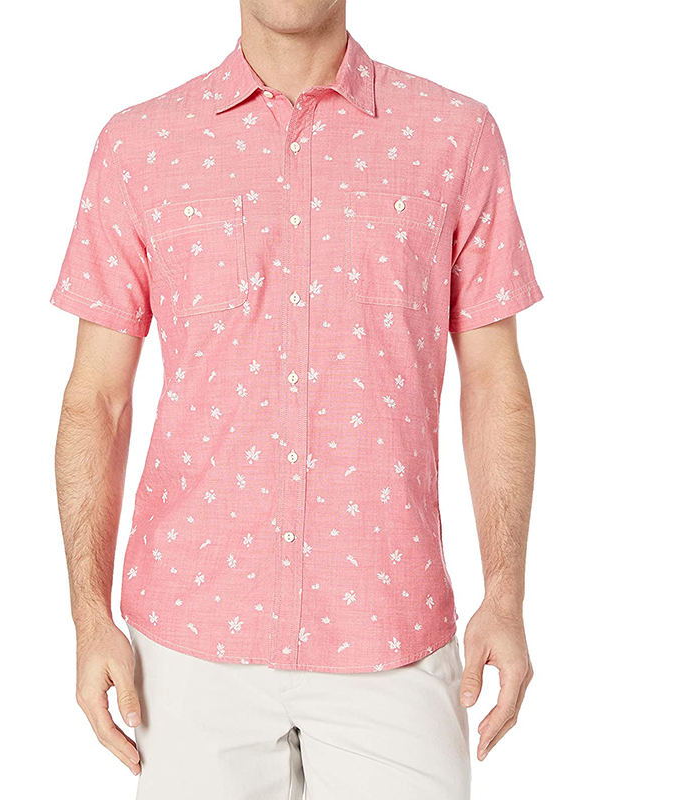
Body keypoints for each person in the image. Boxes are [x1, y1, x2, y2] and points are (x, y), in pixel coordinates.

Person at [50, 2, 542, 797]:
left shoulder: (454, 137)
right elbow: (96, 400)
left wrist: (506, 597)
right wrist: (88, 614)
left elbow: (494, 381)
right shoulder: (140, 146)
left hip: (391, 633)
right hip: (189, 647)